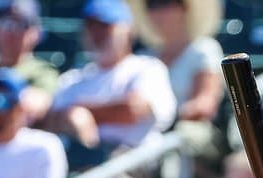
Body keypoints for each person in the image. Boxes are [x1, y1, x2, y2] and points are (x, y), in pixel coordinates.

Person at [47, 0, 177, 159]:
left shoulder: (147, 68)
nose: (96, 33)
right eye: (91, 26)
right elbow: (51, 121)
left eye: (105, 26)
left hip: (130, 162)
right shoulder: (72, 79)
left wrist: (81, 114)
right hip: (79, 162)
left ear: (127, 30)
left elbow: (133, 111)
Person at [128, 0, 224, 123]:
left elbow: (206, 102)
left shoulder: (204, 49)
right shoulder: (143, 57)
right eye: (151, 5)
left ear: (184, 8)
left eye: (165, 3)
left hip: (188, 128)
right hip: (147, 131)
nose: (157, 12)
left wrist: (167, 114)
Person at [0, 0, 59, 127]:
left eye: (20, 25)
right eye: (5, 23)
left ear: (36, 33)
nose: (11, 31)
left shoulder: (43, 72)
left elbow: (37, 105)